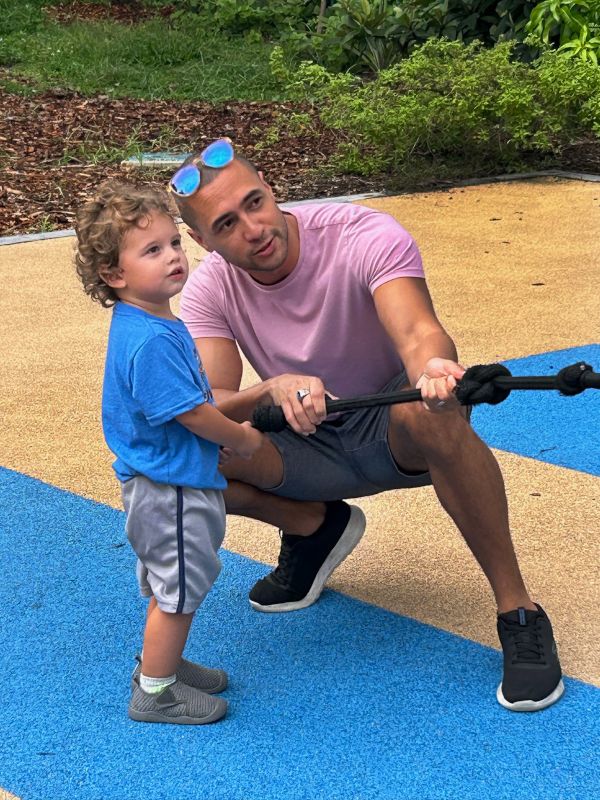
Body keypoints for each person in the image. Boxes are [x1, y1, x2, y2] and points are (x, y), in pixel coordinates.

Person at [171, 138, 564, 712]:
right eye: (227, 223)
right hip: (303, 441)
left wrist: (433, 369)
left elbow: (418, 334)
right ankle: (313, 526)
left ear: (272, 188)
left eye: (255, 202)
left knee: (434, 412)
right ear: (202, 241)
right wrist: (269, 387)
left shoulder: (361, 235)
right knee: (180, 450)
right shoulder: (210, 290)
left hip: (392, 427)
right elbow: (214, 403)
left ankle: (519, 611)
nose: (253, 228)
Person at [74, 182, 263, 725]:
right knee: (177, 589)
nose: (173, 257)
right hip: (169, 488)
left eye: (174, 242)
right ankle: (155, 692)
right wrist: (240, 436)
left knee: (174, 581)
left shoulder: (153, 319)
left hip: (165, 481)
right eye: (152, 251)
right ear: (115, 274)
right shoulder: (152, 338)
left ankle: (167, 665)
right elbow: (191, 414)